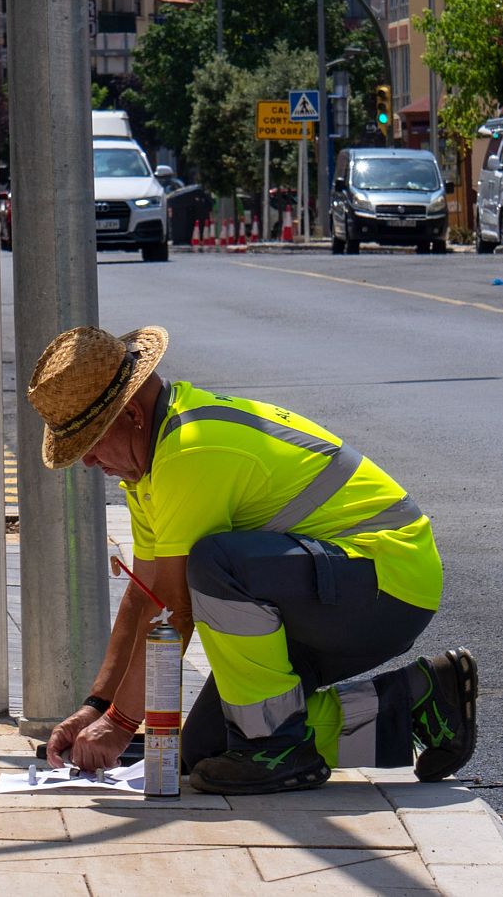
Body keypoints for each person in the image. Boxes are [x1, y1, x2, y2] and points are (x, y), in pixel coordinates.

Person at [30, 326, 477, 796]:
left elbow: (176, 611)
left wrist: (121, 723)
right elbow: (145, 599)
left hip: (385, 582)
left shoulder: (191, 450)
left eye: (92, 441)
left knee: (215, 564)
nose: (87, 462)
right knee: (208, 751)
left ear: (133, 416)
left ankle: (278, 746)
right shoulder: (149, 466)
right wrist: (96, 707)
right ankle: (422, 704)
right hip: (322, 589)